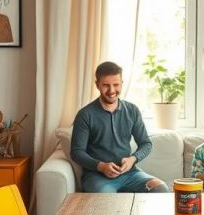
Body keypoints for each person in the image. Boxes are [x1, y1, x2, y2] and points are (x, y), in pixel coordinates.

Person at [70, 61, 169, 193]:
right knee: (107, 201)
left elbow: (146, 143)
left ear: (122, 83)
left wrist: (132, 159)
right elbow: (76, 152)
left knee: (160, 188)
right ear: (97, 85)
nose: (111, 91)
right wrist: (101, 166)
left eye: (116, 85)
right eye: (106, 85)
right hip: (96, 176)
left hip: (130, 174)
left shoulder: (132, 110)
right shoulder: (85, 114)